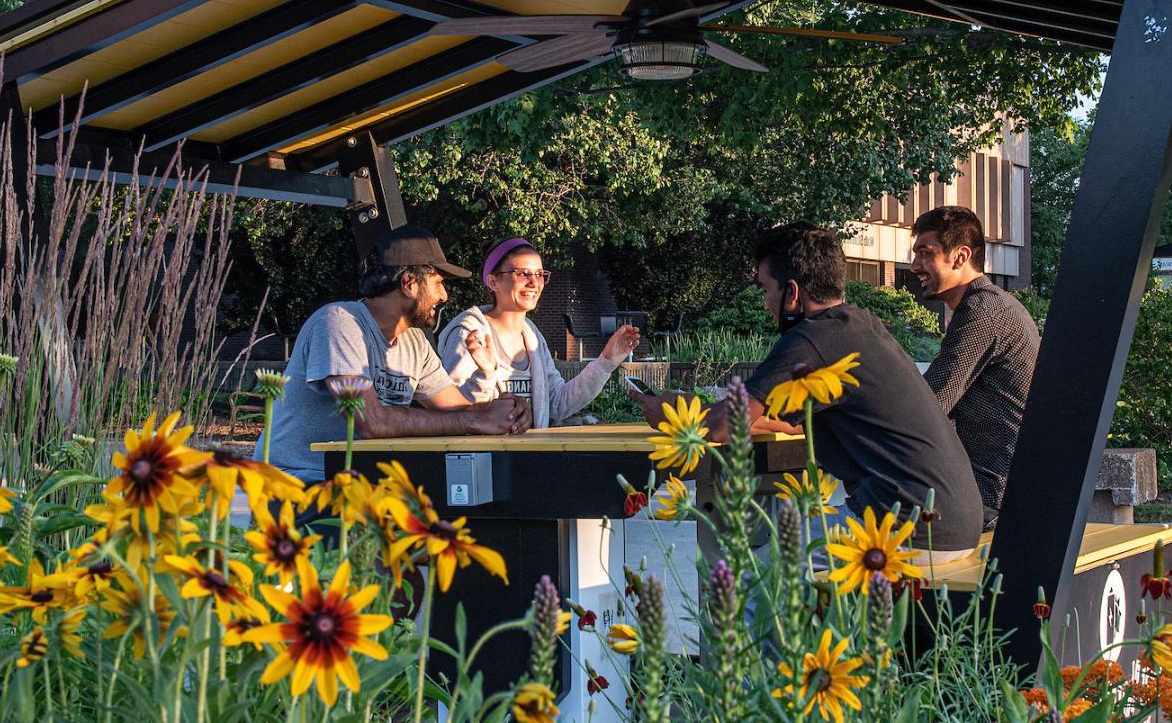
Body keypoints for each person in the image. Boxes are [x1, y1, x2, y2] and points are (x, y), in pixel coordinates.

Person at [636, 222, 983, 559]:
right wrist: (698, 408)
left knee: (751, 585)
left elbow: (722, 427)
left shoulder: (810, 339)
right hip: (955, 522)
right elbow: (788, 422)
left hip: (904, 525)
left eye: (764, 289)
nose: (764, 303)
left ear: (792, 293)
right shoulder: (857, 324)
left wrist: (671, 413)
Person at [270, 225, 529, 485]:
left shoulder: (414, 341)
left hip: (363, 488)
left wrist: (505, 411)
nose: (444, 295)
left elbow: (458, 411)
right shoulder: (338, 323)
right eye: (438, 282)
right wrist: (476, 418)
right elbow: (371, 422)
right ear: (409, 284)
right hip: (301, 485)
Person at [908, 206, 1040, 532]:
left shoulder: (982, 312)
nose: (914, 266)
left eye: (926, 254)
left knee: (835, 537)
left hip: (987, 498)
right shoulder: (993, 304)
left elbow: (928, 405)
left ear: (960, 255)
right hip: (997, 490)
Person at [437, 238, 641, 429]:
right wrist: (486, 376)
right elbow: (456, 413)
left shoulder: (532, 336)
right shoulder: (469, 334)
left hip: (529, 460)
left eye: (540, 274)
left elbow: (558, 403)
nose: (534, 283)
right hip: (484, 462)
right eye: (523, 273)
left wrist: (607, 361)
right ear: (493, 282)